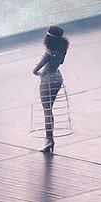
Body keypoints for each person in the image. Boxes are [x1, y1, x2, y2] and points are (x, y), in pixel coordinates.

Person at [32, 25, 69, 154]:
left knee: (47, 111)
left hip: (47, 80)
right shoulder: (63, 50)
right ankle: (49, 138)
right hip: (57, 78)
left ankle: (49, 140)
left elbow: (35, 70)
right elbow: (61, 62)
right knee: (50, 109)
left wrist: (39, 71)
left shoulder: (48, 53)